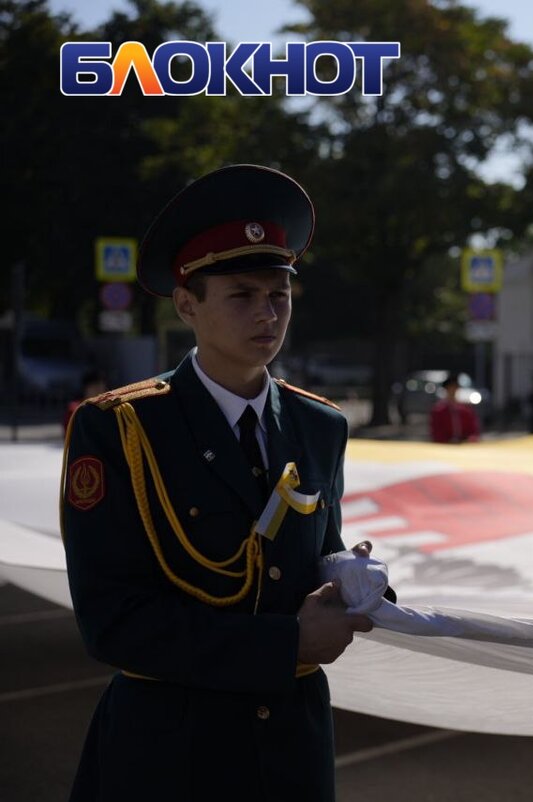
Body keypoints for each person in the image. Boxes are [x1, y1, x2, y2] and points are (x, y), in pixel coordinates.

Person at [60, 164, 375, 802]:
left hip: (291, 748)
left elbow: (314, 552)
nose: (268, 313)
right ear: (186, 304)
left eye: (279, 295)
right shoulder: (119, 428)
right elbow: (112, 622)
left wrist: (351, 579)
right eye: (242, 294)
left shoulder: (320, 426)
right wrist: (286, 642)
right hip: (172, 755)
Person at [430, 375, 481, 443]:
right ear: (446, 389)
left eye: (455, 387)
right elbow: (436, 432)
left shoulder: (465, 410)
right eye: (450, 387)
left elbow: (473, 430)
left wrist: (470, 439)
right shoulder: (439, 410)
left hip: (464, 445)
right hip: (445, 445)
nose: (453, 390)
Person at [63, 369, 107, 435]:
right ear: (86, 388)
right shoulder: (76, 409)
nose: (99, 390)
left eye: (101, 386)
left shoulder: (108, 407)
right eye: (95, 387)